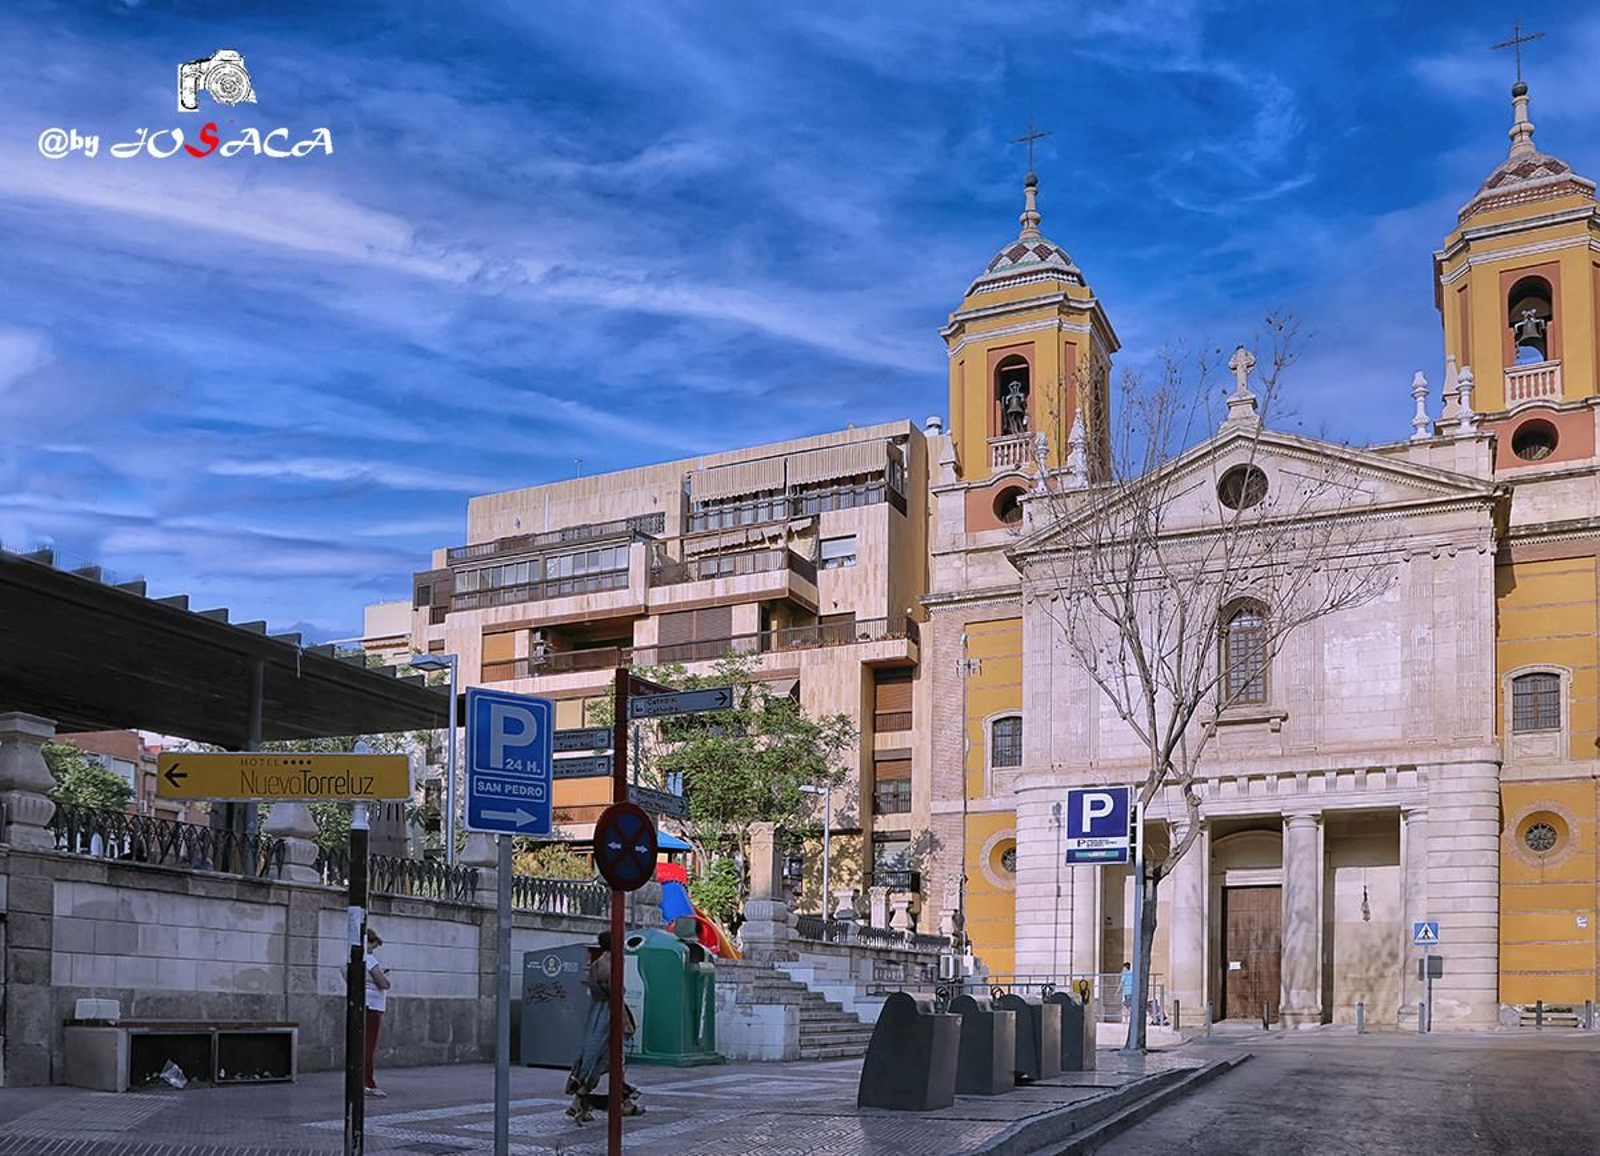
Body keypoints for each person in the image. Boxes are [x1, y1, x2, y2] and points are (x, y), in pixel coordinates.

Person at [565, 931, 641, 1124]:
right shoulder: (613, 964)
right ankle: (586, 1098)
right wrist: (626, 1023)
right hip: (609, 1015)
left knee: (594, 1057)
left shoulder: (596, 963)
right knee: (607, 1060)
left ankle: (580, 1102)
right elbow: (615, 995)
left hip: (596, 1013)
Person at [363, 928, 391, 1098]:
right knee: (368, 1046)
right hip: (373, 1005)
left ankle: (361, 1080)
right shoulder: (369, 959)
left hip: (361, 1003)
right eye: (373, 946)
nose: (373, 950)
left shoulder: (348, 958)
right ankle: (368, 1083)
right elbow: (383, 983)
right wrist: (384, 978)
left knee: (361, 1045)